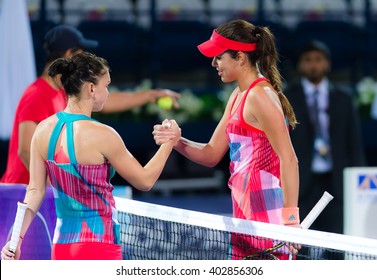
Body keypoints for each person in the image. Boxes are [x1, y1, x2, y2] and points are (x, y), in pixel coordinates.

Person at [1, 52, 180, 260]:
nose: (108, 92)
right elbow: (145, 180)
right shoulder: (104, 135)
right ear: (91, 88)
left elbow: (34, 191)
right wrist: (170, 142)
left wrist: (15, 241)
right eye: (106, 85)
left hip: (61, 248)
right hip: (100, 247)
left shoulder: (42, 131)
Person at [153, 19, 300, 260]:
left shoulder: (260, 96)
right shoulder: (238, 95)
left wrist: (291, 220)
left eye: (219, 57)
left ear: (240, 58)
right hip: (243, 213)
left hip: (267, 215)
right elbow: (211, 154)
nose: (214, 63)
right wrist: (176, 140)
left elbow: (289, 159)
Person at [0, 24, 180, 184]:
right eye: (81, 53)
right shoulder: (36, 94)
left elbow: (107, 101)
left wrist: (152, 95)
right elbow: (24, 150)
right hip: (20, 192)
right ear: (69, 54)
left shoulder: (68, 92)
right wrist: (53, 188)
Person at [284, 40, 366, 234]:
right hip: (300, 185)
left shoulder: (344, 98)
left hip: (336, 183)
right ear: (299, 65)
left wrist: (358, 182)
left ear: (327, 64)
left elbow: (354, 142)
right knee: (299, 247)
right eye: (307, 60)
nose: (313, 64)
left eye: (318, 59)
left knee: (336, 248)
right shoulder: (286, 98)